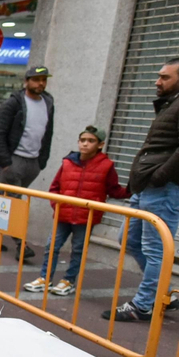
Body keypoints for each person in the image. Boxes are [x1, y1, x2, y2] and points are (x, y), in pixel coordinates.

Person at [104, 55, 179, 323]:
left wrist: (159, 176)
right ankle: (161, 294)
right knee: (129, 240)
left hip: (166, 188)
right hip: (152, 186)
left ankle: (143, 305)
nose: (158, 81)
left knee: (156, 249)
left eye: (165, 77)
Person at [21, 126, 128, 297]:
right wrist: (56, 204)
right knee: (52, 246)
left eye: (91, 141)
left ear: (100, 145)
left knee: (77, 250)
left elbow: (114, 190)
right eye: (82, 140)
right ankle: (44, 278)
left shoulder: (106, 166)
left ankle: (68, 280)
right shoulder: (67, 162)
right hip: (63, 215)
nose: (85, 144)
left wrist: (134, 189)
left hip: (86, 217)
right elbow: (55, 187)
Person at [0, 65, 54, 253]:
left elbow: (48, 132)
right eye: (37, 79)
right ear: (26, 81)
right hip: (14, 160)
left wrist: (42, 161)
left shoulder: (48, 103)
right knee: (15, 202)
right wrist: (6, 163)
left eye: (44, 80)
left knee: (6, 198)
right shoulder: (13, 103)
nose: (41, 83)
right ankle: (21, 244)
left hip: (33, 161)